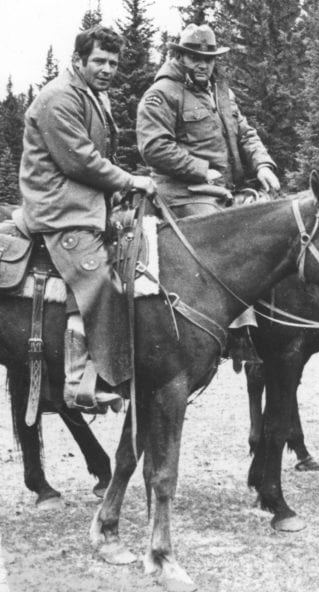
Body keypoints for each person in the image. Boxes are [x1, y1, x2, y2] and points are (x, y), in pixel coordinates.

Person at [19, 26, 157, 412]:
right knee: (96, 280)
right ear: (78, 60)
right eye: (99, 60)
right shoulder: (57, 98)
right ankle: (78, 383)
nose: (108, 68)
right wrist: (131, 179)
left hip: (86, 204)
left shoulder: (95, 95)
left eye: (113, 62)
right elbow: (79, 159)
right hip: (60, 210)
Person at [136, 23, 281, 364]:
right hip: (183, 193)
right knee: (226, 242)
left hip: (225, 191)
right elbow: (154, 147)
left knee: (274, 228)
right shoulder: (162, 94)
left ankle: (277, 323)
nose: (203, 64)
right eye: (195, 57)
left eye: (209, 58)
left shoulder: (221, 93)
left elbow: (246, 133)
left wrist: (264, 165)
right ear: (180, 55)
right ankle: (239, 334)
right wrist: (201, 170)